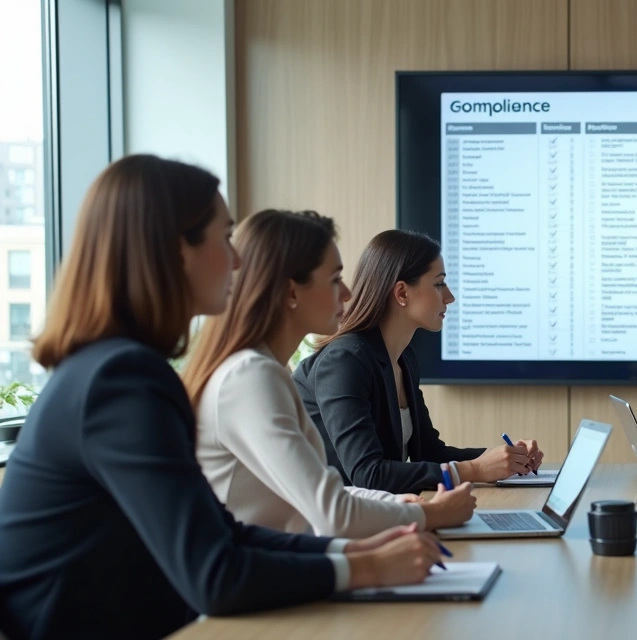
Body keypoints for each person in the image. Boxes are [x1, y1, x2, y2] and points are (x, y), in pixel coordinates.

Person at [0, 156, 442, 640]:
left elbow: (223, 534)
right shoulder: (122, 381)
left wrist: (353, 554)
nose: (236, 260)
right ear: (175, 250)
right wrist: (368, 570)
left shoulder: (110, 368)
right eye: (224, 236)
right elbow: (215, 573)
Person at [181, 209, 476, 537]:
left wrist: (395, 506)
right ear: (292, 292)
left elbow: (320, 497)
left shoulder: (269, 372)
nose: (348, 293)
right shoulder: (251, 378)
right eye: (335, 279)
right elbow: (331, 512)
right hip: (259, 575)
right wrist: (430, 515)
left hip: (284, 560)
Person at [293, 229, 545, 494]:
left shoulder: (403, 358)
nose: (450, 297)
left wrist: (505, 459)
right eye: (439, 283)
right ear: (402, 292)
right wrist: (477, 469)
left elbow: (429, 452)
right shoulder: (344, 361)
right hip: (333, 527)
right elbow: (368, 475)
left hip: (380, 515)